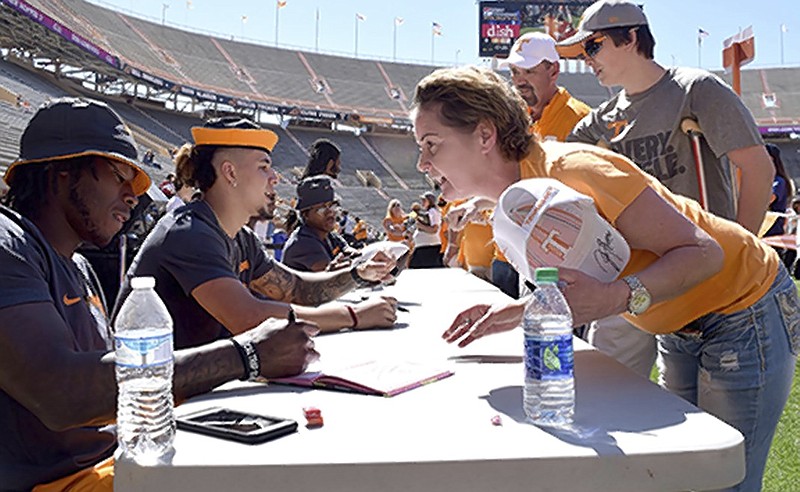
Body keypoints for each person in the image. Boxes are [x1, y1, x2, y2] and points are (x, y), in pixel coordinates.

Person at [413, 65, 798, 492]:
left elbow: (703, 252)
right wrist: (518, 310)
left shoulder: (574, 170)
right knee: (683, 475)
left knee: (721, 479)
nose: (422, 163)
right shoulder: (516, 203)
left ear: (485, 136)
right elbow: (589, 275)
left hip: (743, 307)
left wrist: (617, 297)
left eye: (431, 144)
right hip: (680, 322)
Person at [0, 98, 318, 491]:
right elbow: (60, 392)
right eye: (120, 175)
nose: (133, 196)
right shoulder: (8, 246)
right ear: (63, 170)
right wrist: (244, 356)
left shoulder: (78, 267)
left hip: (114, 460)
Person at [555, 0, 775, 378]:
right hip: (638, 273)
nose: (587, 60)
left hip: (701, 269)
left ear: (631, 38)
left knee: (704, 411)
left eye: (593, 47)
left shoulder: (695, 89)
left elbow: (758, 168)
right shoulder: (600, 121)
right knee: (615, 391)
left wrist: (740, 250)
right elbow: (554, 165)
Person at [120, 117, 398, 350]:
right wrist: (352, 315)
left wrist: (357, 275)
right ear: (230, 173)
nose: (275, 178)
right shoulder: (189, 233)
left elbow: (297, 289)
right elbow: (248, 316)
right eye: (264, 167)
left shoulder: (240, 237)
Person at [450, 31, 591, 299]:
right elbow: (513, 180)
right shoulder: (515, 120)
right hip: (508, 252)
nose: (519, 80)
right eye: (515, 71)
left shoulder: (580, 119)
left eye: (528, 70)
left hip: (556, 258)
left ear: (554, 70)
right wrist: (476, 203)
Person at [282, 175, 358, 272]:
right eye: (322, 209)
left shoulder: (329, 235)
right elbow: (330, 275)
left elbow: (348, 251)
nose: (330, 212)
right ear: (306, 215)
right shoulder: (303, 242)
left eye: (332, 206)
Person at [408, 191, 442, 268]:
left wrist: (420, 226)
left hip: (429, 248)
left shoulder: (433, 212)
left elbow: (434, 229)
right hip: (424, 247)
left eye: (424, 200)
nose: (422, 202)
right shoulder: (428, 212)